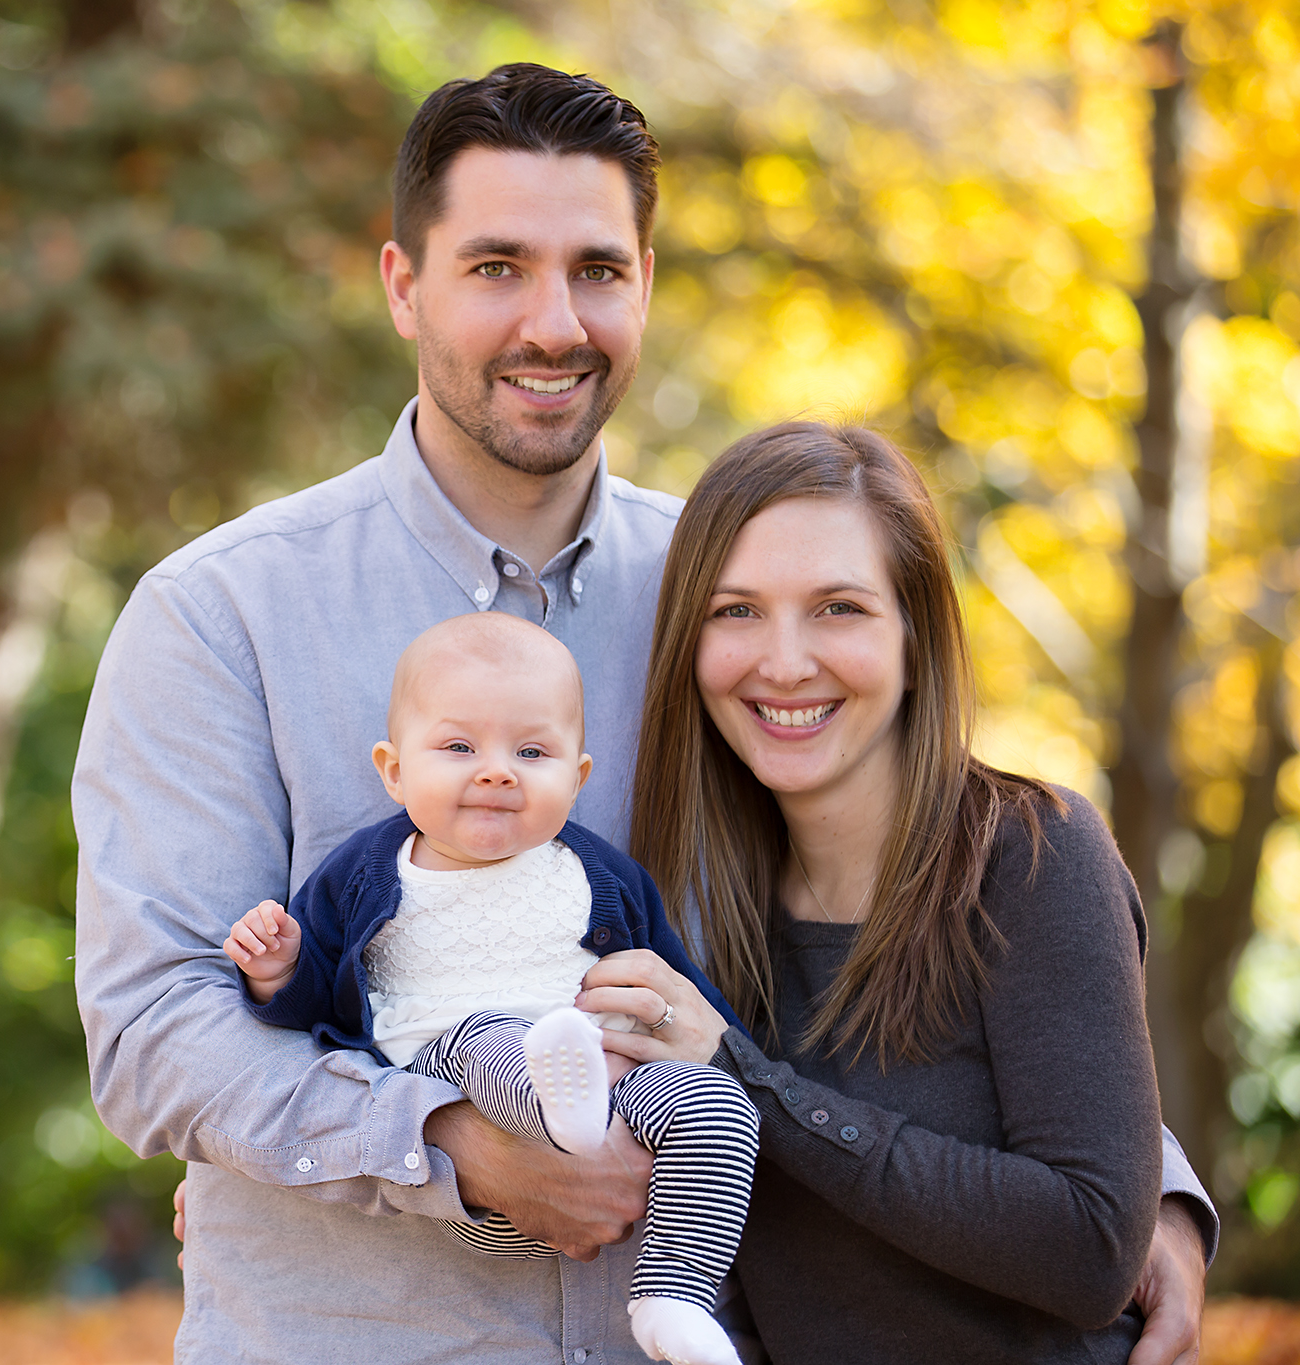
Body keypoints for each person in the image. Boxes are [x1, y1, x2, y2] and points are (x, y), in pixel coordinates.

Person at [74, 63, 1213, 1364]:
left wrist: (1145, 1192)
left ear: (646, 284)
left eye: (598, 271)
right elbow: (158, 1027)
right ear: (403, 283)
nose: (553, 321)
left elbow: (918, 898)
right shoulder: (226, 615)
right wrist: (449, 1147)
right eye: (496, 265)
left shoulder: (737, 600)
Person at [581, 421, 1166, 1363]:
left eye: (838, 608)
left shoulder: (1031, 856)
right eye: (735, 612)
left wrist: (744, 1081)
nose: (782, 661)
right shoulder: (702, 912)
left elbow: (1092, 1245)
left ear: (915, 633)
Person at [225, 613, 759, 1365]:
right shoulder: (368, 873)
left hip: (606, 1082)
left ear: (576, 777)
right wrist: (279, 968)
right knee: (492, 1038)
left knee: (721, 1107)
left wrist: (718, 1055)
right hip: (458, 1099)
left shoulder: (601, 875)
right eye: (459, 747)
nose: (498, 770)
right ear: (394, 769)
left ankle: (672, 1294)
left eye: (532, 751)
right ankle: (555, 1107)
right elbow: (317, 1000)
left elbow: (682, 988)